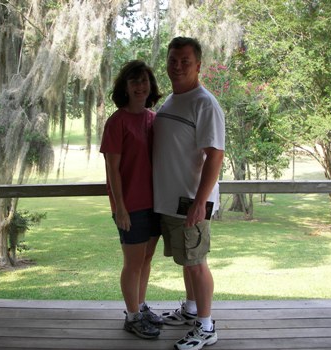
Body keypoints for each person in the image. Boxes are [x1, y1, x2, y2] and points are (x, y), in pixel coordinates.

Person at [153, 37, 226, 350]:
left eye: (185, 60)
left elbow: (216, 155)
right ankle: (191, 310)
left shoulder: (203, 102)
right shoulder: (171, 100)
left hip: (191, 202)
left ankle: (207, 327)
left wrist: (199, 203)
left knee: (197, 263)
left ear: (198, 65)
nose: (178, 66)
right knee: (187, 261)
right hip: (172, 201)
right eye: (173, 59)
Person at [100, 60, 164, 339]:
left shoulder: (153, 118)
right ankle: (132, 316)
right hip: (131, 205)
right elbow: (112, 170)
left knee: (147, 259)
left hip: (156, 203)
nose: (140, 86)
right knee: (133, 262)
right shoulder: (117, 122)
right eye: (134, 81)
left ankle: (140, 305)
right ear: (124, 87)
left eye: (144, 81)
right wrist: (121, 208)